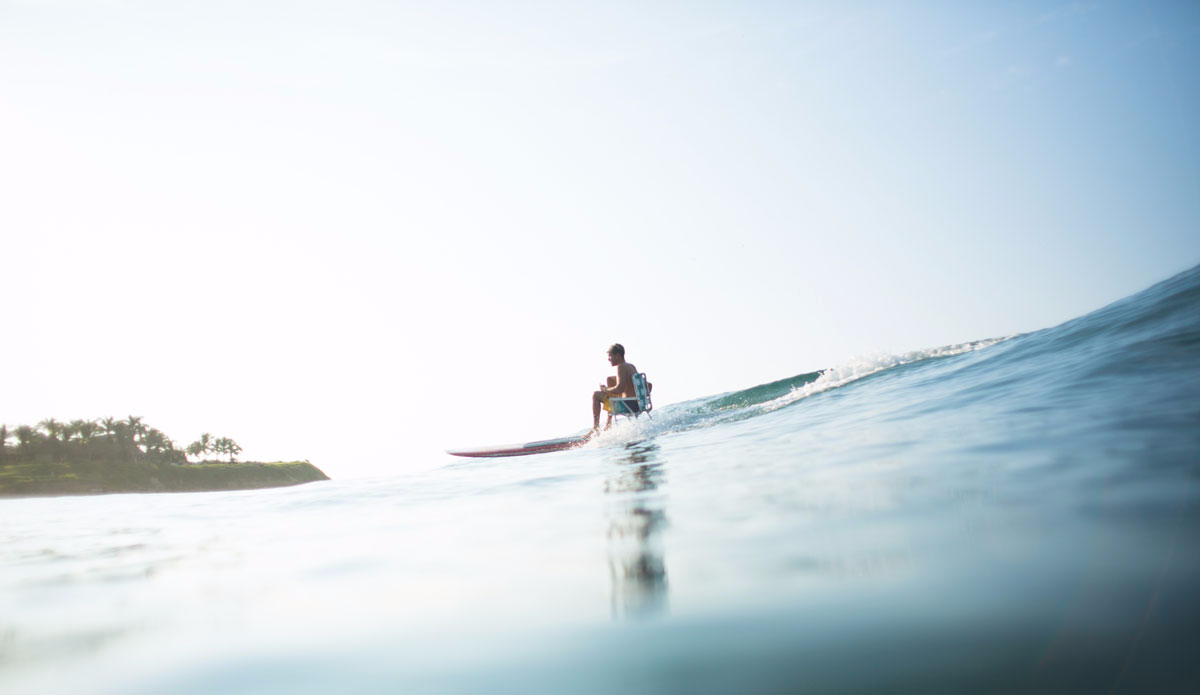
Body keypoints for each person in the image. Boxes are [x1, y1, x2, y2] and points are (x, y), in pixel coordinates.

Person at [592, 343, 639, 432]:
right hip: (636, 404)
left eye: (610, 356)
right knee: (610, 379)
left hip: (628, 406)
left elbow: (619, 389)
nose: (608, 359)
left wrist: (605, 389)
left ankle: (596, 428)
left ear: (617, 355)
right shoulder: (630, 366)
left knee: (596, 395)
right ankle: (608, 423)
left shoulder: (621, 367)